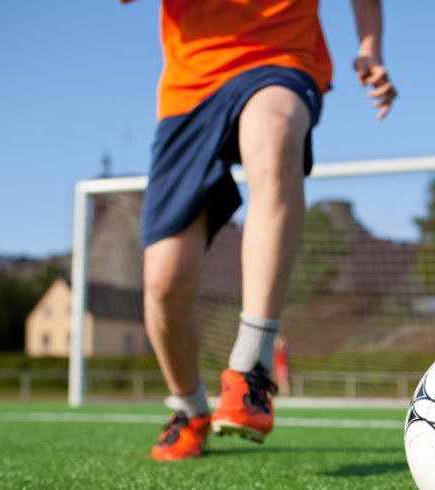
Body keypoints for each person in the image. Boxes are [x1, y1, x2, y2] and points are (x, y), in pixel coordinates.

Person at [123, 0, 397, 461]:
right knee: (165, 283)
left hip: (281, 58)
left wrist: (370, 45)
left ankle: (251, 366)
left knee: (274, 131)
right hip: (190, 87)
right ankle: (189, 411)